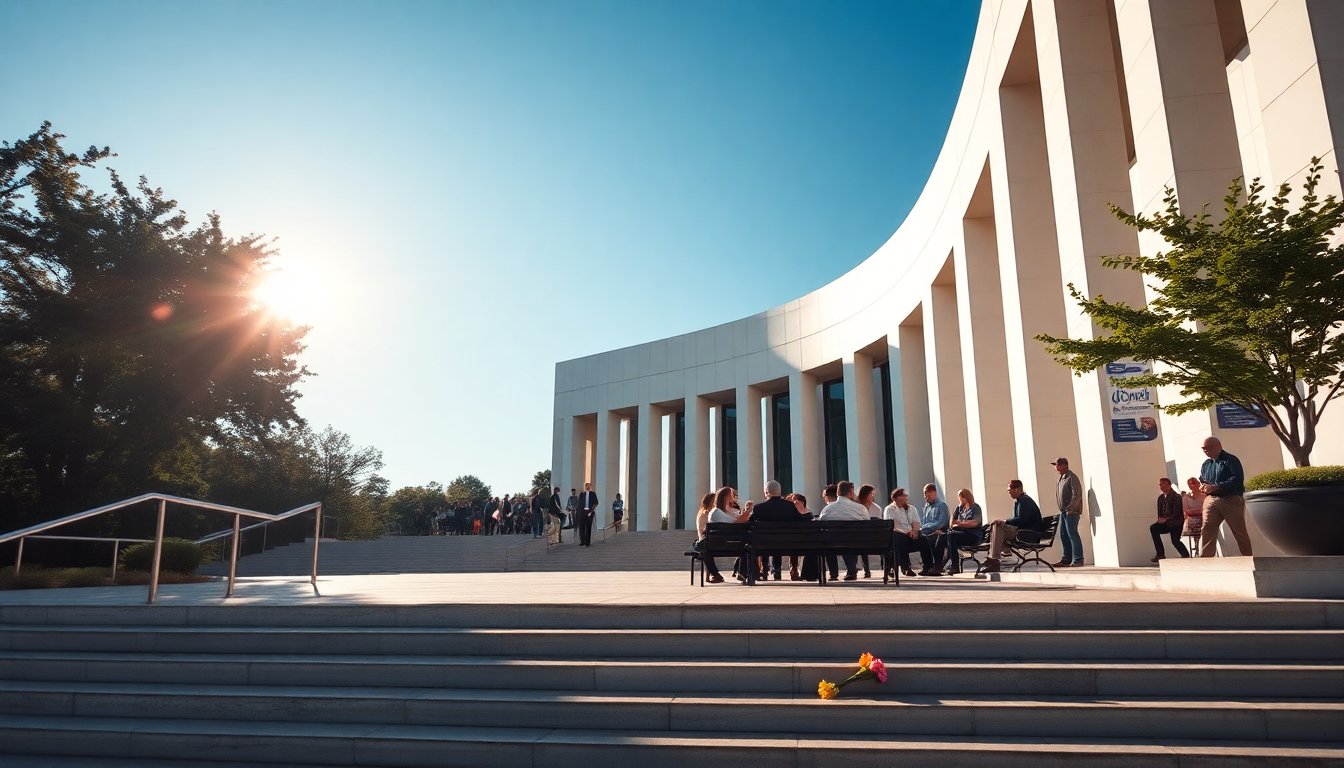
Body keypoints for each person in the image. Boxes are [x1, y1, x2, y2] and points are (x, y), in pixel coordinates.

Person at [1199, 436, 1253, 557]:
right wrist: (1203, 486)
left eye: (1209, 448)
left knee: (1239, 531)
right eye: (1204, 448)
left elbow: (1237, 479)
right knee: (1207, 529)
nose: (1206, 451)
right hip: (1211, 499)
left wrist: (1217, 486)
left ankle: (1248, 558)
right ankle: (1205, 560)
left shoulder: (1231, 460)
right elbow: (1203, 479)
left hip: (1230, 499)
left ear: (1219, 446)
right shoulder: (1206, 464)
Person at [980, 479, 1044, 574]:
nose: (1009, 493)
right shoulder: (1019, 501)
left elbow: (1021, 520)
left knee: (998, 526)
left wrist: (1005, 521)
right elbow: (1017, 519)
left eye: (1010, 491)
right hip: (1023, 531)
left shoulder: (1025, 501)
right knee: (996, 525)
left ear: (1018, 489)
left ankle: (994, 559)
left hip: (1028, 534)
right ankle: (998, 554)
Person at [750, 479, 805, 580]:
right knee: (781, 538)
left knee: (766, 539)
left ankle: (766, 570)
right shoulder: (790, 506)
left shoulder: (759, 508)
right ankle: (781, 571)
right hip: (788, 543)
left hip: (764, 543)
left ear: (766, 492)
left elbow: (749, 522)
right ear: (780, 492)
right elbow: (800, 520)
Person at [816, 480, 869, 581]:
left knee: (830, 541)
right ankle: (851, 571)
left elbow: (821, 522)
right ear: (850, 492)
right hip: (856, 543)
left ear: (837, 493)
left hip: (832, 543)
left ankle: (833, 574)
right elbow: (867, 522)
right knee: (850, 539)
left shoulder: (828, 509)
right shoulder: (861, 509)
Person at [710, 486, 753, 581]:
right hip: (723, 544)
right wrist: (747, 513)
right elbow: (737, 523)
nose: (734, 497)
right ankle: (743, 572)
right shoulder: (717, 512)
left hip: (730, 542)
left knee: (749, 543)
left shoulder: (728, 511)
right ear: (725, 497)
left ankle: (743, 572)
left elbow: (738, 520)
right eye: (731, 495)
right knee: (749, 544)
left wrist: (745, 512)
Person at [1051, 458, 1085, 567]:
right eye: (1056, 465)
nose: (1056, 467)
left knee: (1072, 534)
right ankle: (1066, 559)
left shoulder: (1071, 477)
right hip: (1064, 512)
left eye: (1058, 465)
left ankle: (1078, 559)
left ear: (1065, 465)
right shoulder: (1061, 479)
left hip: (1071, 512)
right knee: (1064, 535)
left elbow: (1077, 494)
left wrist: (1071, 509)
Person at [943, 488, 984, 575]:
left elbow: (974, 523)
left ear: (965, 497)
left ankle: (954, 565)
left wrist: (959, 524)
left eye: (960, 498)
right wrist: (957, 509)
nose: (960, 500)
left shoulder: (975, 508)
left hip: (973, 535)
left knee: (951, 535)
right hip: (962, 534)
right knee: (947, 534)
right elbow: (951, 524)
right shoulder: (961, 509)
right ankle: (941, 563)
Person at [882, 488, 921, 578]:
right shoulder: (889, 509)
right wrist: (906, 532)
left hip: (911, 534)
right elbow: (893, 526)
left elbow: (916, 522)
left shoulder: (912, 509)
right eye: (903, 496)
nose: (906, 498)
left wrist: (914, 532)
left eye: (906, 496)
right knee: (899, 538)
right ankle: (906, 567)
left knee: (924, 539)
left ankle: (928, 566)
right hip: (898, 534)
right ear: (896, 498)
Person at [1150, 477, 1189, 561]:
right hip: (1166, 523)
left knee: (1175, 541)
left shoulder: (1176, 496)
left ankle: (1185, 555)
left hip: (1175, 523)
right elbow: (1160, 512)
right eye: (1160, 484)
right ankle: (1160, 554)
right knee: (1154, 528)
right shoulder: (1160, 498)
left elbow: (1177, 512)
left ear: (1169, 485)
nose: (1161, 486)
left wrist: (1166, 519)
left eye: (1163, 484)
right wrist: (1160, 519)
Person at [917, 483, 950, 577]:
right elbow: (923, 522)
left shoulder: (942, 505)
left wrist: (925, 528)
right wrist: (923, 529)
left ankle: (937, 566)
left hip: (940, 531)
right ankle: (927, 566)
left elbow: (942, 522)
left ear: (934, 493)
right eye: (924, 494)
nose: (925, 496)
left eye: (927, 494)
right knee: (922, 538)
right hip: (928, 532)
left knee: (931, 538)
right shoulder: (926, 507)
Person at [693, 492, 726, 583]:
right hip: (710, 542)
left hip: (706, 542)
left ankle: (715, 574)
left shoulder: (702, 512)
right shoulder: (710, 513)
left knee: (704, 548)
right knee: (704, 548)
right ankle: (715, 574)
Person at [786, 492, 814, 580]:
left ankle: (803, 572)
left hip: (803, 540)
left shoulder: (809, 514)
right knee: (793, 543)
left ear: (802, 502)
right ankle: (794, 570)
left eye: (795, 502)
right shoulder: (792, 514)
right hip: (795, 541)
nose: (794, 504)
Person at [856, 484, 882, 578]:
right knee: (861, 542)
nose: (873, 496)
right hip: (860, 537)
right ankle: (865, 570)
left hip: (873, 536)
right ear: (865, 494)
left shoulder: (876, 508)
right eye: (871, 494)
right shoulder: (856, 507)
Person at [1181, 477, 1205, 551]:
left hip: (1203, 518)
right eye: (1190, 484)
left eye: (1194, 483)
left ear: (1198, 484)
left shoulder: (1204, 495)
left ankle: (1200, 546)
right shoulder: (1186, 497)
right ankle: (1196, 545)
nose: (1192, 486)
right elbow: (1185, 510)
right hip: (1191, 519)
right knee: (1191, 522)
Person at [577, 483, 598, 547]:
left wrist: (591, 511)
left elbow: (596, 503)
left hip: (589, 512)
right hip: (582, 513)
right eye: (587, 486)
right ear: (585, 487)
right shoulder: (582, 494)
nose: (588, 487)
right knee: (581, 527)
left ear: (590, 487)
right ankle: (582, 542)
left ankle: (587, 542)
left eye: (589, 486)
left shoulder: (593, 494)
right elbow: (579, 504)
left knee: (588, 528)